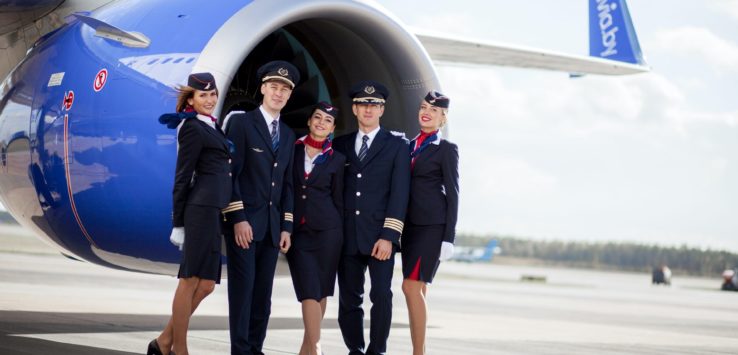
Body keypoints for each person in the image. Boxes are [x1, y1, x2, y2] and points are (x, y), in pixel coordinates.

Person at [149, 72, 232, 355]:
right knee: (190, 281)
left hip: (213, 211)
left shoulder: (211, 125)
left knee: (207, 284)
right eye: (202, 95)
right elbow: (182, 177)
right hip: (199, 211)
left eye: (212, 94)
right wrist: (178, 222)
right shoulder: (192, 128)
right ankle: (179, 349)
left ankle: (163, 342)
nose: (209, 100)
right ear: (192, 98)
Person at [223, 60, 299, 355]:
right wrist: (238, 218)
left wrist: (287, 227)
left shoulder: (289, 134)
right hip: (245, 225)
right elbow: (230, 174)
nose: (279, 93)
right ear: (263, 88)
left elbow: (287, 185)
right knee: (242, 292)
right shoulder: (241, 123)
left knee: (263, 295)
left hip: (271, 227)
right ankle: (240, 350)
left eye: (285, 89)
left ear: (289, 95)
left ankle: (255, 347)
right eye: (274, 87)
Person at [332, 80, 411, 355]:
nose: (369, 109)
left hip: (381, 237)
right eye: (363, 104)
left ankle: (377, 351)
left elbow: (400, 194)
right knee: (349, 300)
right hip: (348, 236)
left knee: (381, 295)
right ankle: (355, 348)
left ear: (382, 110)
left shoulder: (397, 146)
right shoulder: (339, 144)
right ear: (354, 109)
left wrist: (389, 236)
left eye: (374, 105)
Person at [401, 90, 459, 355]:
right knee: (417, 289)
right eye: (424, 107)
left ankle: (418, 353)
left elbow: (454, 194)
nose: (426, 112)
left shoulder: (446, 150)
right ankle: (419, 350)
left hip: (432, 227)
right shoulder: (406, 146)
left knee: (410, 286)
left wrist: (449, 237)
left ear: (442, 118)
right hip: (409, 228)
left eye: (434, 110)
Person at [287, 102, 346, 355]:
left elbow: (339, 200)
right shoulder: (292, 150)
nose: (321, 123)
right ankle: (317, 348)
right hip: (298, 232)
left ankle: (306, 350)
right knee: (309, 290)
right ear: (310, 121)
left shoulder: (337, 159)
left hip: (328, 233)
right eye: (318, 118)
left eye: (328, 121)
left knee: (321, 291)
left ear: (332, 128)